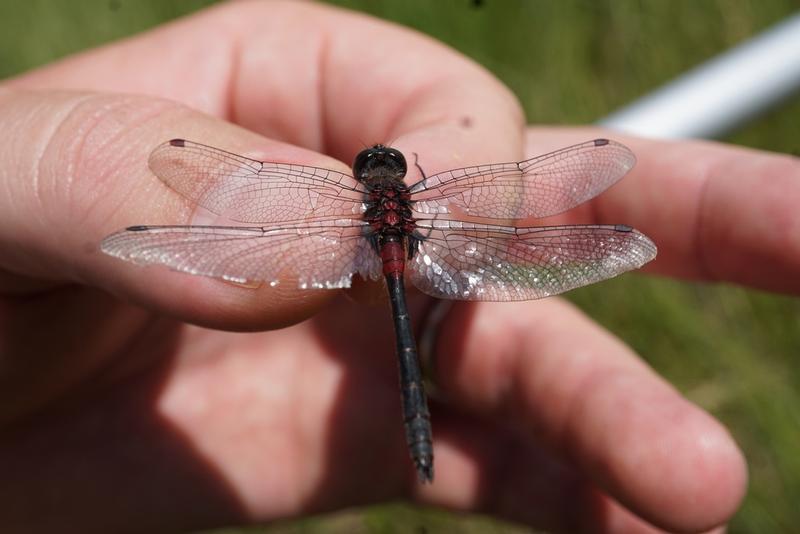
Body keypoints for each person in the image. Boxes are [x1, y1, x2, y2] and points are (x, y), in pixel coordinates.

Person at [7, 0, 798, 531]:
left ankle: (416, 434)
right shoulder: (418, 206)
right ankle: (422, 431)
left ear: (364, 183)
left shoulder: (352, 207)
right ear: (402, 186)